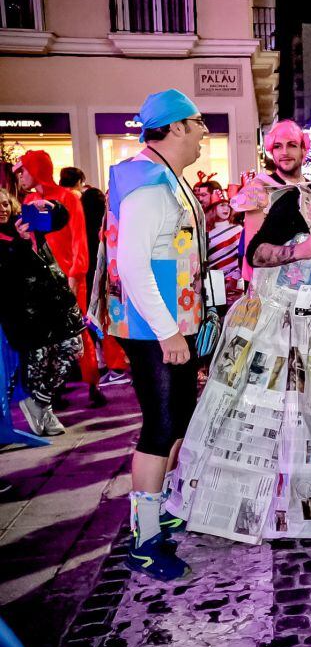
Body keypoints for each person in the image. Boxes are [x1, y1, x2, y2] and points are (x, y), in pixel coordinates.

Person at [166, 140, 311, 544]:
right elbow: (255, 255)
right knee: (263, 411)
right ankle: (242, 502)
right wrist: (301, 249)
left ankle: (308, 505)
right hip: (273, 323)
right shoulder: (293, 200)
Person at [102, 89, 209, 580]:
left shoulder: (164, 176)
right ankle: (144, 540)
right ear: (176, 128)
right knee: (159, 429)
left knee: (176, 423)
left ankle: (159, 512)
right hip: (154, 330)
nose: (205, 131)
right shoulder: (148, 183)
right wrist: (169, 333)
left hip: (168, 326)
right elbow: (132, 264)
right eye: (198, 122)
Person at [14, 151, 102, 408]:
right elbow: (29, 243)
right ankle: (54, 389)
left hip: (69, 277)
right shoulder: (30, 200)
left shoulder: (67, 198)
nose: (21, 176)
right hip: (42, 280)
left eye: (24, 170)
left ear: (37, 169)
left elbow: (79, 239)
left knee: (79, 332)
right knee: (49, 337)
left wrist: (75, 275)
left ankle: (92, 383)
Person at [0, 188, 84, 436]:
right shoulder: (11, 239)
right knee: (38, 366)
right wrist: (21, 243)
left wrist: (50, 205)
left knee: (73, 350)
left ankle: (39, 402)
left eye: (5, 203)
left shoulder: (26, 222)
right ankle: (43, 410)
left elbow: (60, 218)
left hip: (57, 307)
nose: (3, 208)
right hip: (26, 316)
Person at [59, 167, 129, 389]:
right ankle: (114, 366)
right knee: (105, 323)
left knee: (97, 324)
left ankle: (111, 367)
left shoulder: (71, 210)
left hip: (87, 277)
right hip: (102, 278)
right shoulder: (107, 220)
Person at [231, 120, 310, 280]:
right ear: (271, 152)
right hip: (269, 285)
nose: (284, 152)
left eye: (292, 145)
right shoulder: (260, 188)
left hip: (306, 282)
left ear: (303, 149)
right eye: (278, 146)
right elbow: (251, 249)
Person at [206, 189, 243, 308]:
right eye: (222, 205)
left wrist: (235, 277)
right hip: (213, 280)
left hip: (235, 279)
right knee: (216, 314)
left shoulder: (237, 229)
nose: (226, 209)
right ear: (213, 208)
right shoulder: (205, 232)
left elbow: (243, 256)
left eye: (228, 205)